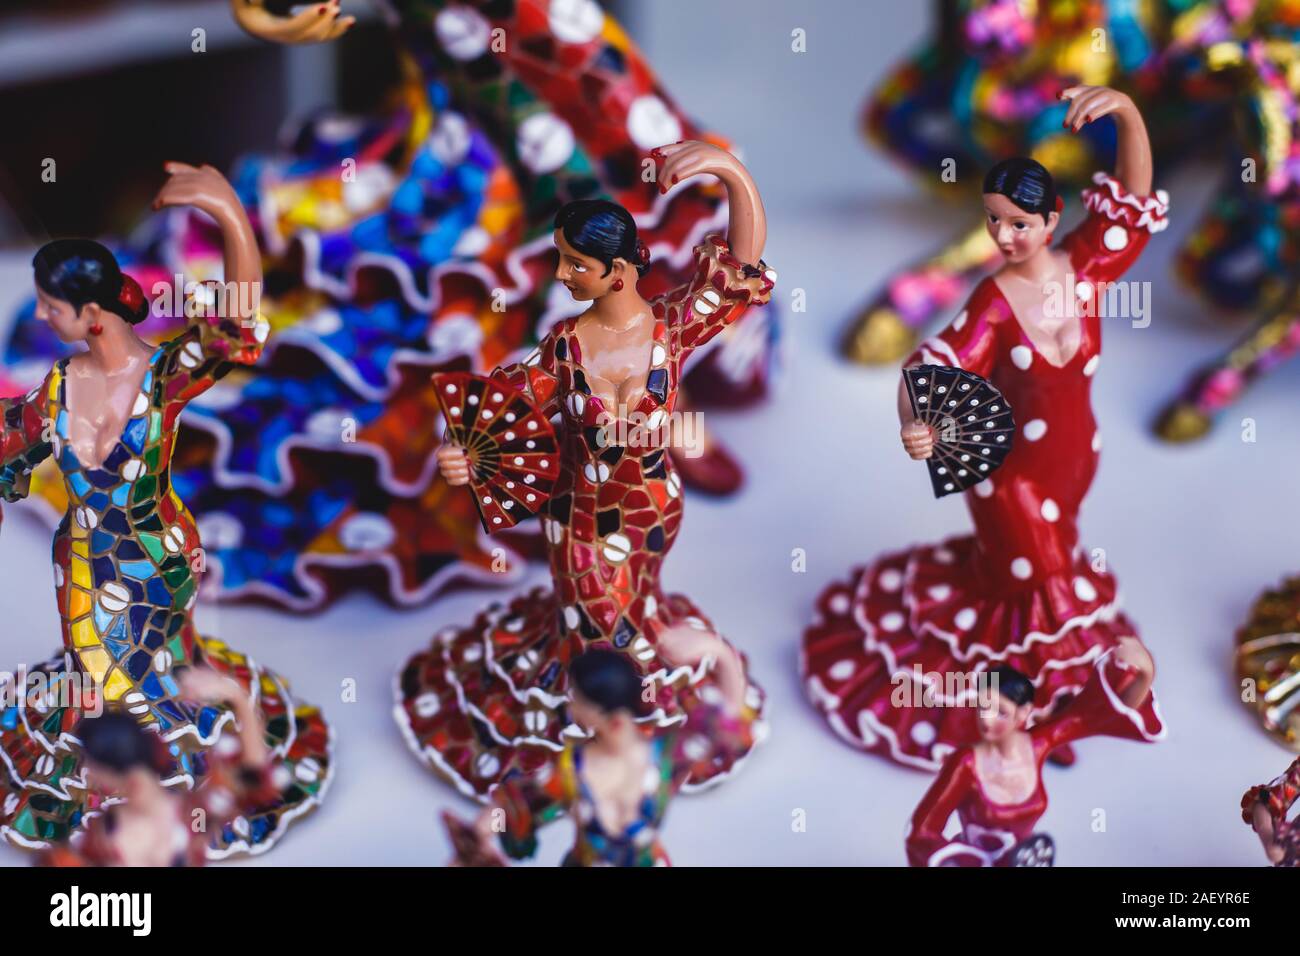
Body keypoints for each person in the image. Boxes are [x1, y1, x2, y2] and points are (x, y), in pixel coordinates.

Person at [803, 85, 1168, 770]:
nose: (1005, 236)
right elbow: (932, 362)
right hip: (1009, 476)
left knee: (1025, 586)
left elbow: (1136, 205)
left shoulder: (1088, 268)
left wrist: (1126, 110)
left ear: (1054, 218)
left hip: (1074, 461)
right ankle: (1029, 718)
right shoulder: (993, 302)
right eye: (995, 222)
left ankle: (1036, 707)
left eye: (1019, 223)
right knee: (1040, 585)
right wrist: (918, 420)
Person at [396, 141, 772, 797]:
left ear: (619, 273)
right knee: (600, 633)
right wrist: (464, 455)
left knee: (637, 609)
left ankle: (623, 750)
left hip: (655, 508)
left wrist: (731, 173)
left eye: (575, 264)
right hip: (578, 522)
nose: (562, 275)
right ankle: (595, 762)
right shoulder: (563, 349)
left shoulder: (670, 330)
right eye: (561, 260)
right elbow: (505, 408)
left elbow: (736, 271)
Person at [0, 164, 331, 856]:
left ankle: (171, 782)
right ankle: (106, 775)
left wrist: (228, 213)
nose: (39, 317)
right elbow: (8, 443)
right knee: (91, 679)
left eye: (50, 308)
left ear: (92, 317)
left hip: (157, 558)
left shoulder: (162, 376)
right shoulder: (55, 389)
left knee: (158, 674)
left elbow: (238, 330)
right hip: (83, 565)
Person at [448, 627, 751, 867]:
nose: (571, 703)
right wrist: (479, 835)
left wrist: (717, 650)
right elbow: (517, 805)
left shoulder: (665, 757)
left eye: (577, 697)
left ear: (605, 715)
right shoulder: (570, 771)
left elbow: (726, 721)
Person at [906, 638, 1163, 866]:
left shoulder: (1038, 745)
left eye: (1001, 711)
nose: (986, 719)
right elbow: (922, 832)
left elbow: (1096, 712)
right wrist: (954, 861)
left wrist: (1144, 674)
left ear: (1024, 712)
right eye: (982, 706)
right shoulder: (966, 764)